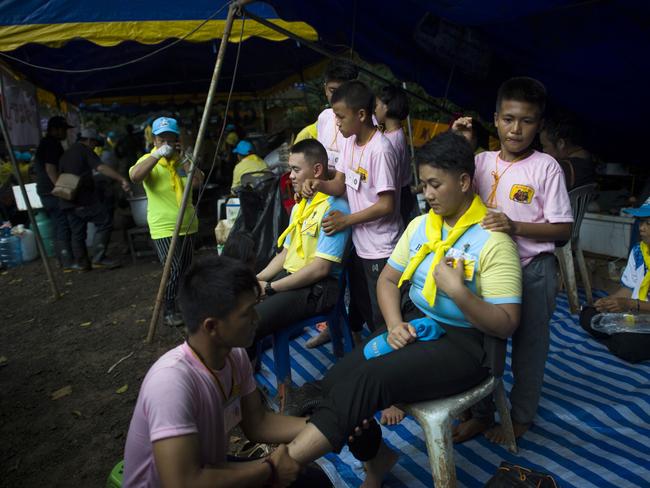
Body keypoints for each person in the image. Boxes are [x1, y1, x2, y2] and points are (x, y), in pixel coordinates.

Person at [282, 131, 522, 487]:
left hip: (469, 346)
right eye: (424, 185)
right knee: (335, 380)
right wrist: (394, 324)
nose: (427, 194)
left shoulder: (493, 241)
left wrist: (459, 293)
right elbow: (387, 281)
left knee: (370, 378)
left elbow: (506, 325)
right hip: (417, 325)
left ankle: (279, 468)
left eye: (436, 185)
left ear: (464, 181)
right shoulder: (422, 226)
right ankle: (376, 457)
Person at [122, 255, 333, 488]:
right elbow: (182, 483)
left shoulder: (234, 355)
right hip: (187, 480)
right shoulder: (170, 383)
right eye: (248, 312)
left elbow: (258, 423)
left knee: (313, 482)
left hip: (207, 469)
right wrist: (269, 470)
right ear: (211, 326)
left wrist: (327, 424)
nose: (257, 318)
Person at [452, 77, 573, 443]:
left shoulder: (546, 167)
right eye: (508, 119)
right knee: (483, 346)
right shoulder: (480, 161)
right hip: (486, 271)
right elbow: (447, 185)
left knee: (528, 349)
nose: (515, 129)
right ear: (495, 118)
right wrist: (460, 144)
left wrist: (514, 225)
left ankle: (520, 418)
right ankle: (481, 414)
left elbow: (563, 229)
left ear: (539, 125)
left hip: (533, 271)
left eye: (526, 121)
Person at [303, 80, 402, 345]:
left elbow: (386, 205)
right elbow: (340, 185)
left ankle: (392, 367)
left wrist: (346, 220)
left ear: (361, 115)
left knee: (385, 316)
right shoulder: (349, 142)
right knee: (367, 308)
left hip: (383, 248)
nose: (336, 122)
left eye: (340, 116)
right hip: (360, 245)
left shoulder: (380, 149)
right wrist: (320, 184)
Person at [253, 139, 350, 361]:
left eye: (296, 170)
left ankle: (247, 377)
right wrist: (255, 279)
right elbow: (286, 254)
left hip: (318, 288)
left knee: (251, 319)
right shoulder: (300, 206)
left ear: (317, 170)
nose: (291, 176)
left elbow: (320, 269)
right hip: (292, 278)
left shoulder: (334, 208)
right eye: (290, 170)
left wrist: (269, 287)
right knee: (238, 306)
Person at [129, 117, 203, 327]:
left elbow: (197, 182)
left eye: (171, 138)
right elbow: (135, 177)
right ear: (154, 139)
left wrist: (185, 158)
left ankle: (186, 306)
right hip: (163, 226)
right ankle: (169, 309)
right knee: (172, 269)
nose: (167, 142)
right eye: (162, 138)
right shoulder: (148, 160)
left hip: (188, 223)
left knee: (187, 269)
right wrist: (156, 155)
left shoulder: (182, 161)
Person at [579, 199, 650, 363]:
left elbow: (629, 301)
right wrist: (609, 302)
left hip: (640, 312)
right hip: (636, 314)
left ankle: (623, 339)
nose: (641, 228)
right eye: (640, 222)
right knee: (588, 314)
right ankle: (622, 336)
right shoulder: (640, 251)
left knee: (627, 346)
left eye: (648, 223)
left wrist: (629, 305)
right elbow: (629, 288)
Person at [58, 127, 131, 270]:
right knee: (104, 221)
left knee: (77, 232)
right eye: (94, 144)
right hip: (81, 198)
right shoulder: (84, 150)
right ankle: (99, 258)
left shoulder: (66, 154)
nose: (94, 147)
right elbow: (101, 168)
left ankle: (82, 263)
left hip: (66, 199)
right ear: (89, 140)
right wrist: (121, 179)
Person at [33, 116, 74, 269]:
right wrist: (62, 190)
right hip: (51, 192)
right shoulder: (51, 144)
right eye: (63, 130)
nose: (65, 133)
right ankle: (66, 260)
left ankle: (62, 259)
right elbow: (50, 169)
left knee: (58, 224)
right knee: (62, 224)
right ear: (55, 130)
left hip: (46, 191)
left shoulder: (49, 143)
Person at [375, 85, 415, 227]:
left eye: (376, 105)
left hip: (399, 195)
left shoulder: (392, 141)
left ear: (386, 107)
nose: (374, 109)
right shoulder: (394, 133)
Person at [316, 60, 359, 171]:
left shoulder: (362, 121)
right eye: (332, 90)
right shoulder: (324, 117)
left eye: (343, 90)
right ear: (325, 89)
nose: (337, 96)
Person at [540, 109, 596, 190]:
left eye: (544, 146)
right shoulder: (588, 159)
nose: (543, 151)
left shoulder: (560, 169)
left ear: (560, 144)